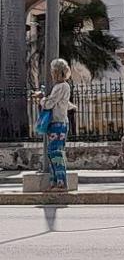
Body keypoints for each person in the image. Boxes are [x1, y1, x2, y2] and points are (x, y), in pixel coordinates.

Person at [34, 58, 74, 191]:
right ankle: (55, 182)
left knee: (55, 153)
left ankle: (61, 183)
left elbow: (50, 103)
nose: (51, 73)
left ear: (57, 72)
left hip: (57, 124)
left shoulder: (60, 87)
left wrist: (41, 99)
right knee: (53, 153)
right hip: (59, 123)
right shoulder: (63, 86)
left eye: (53, 71)